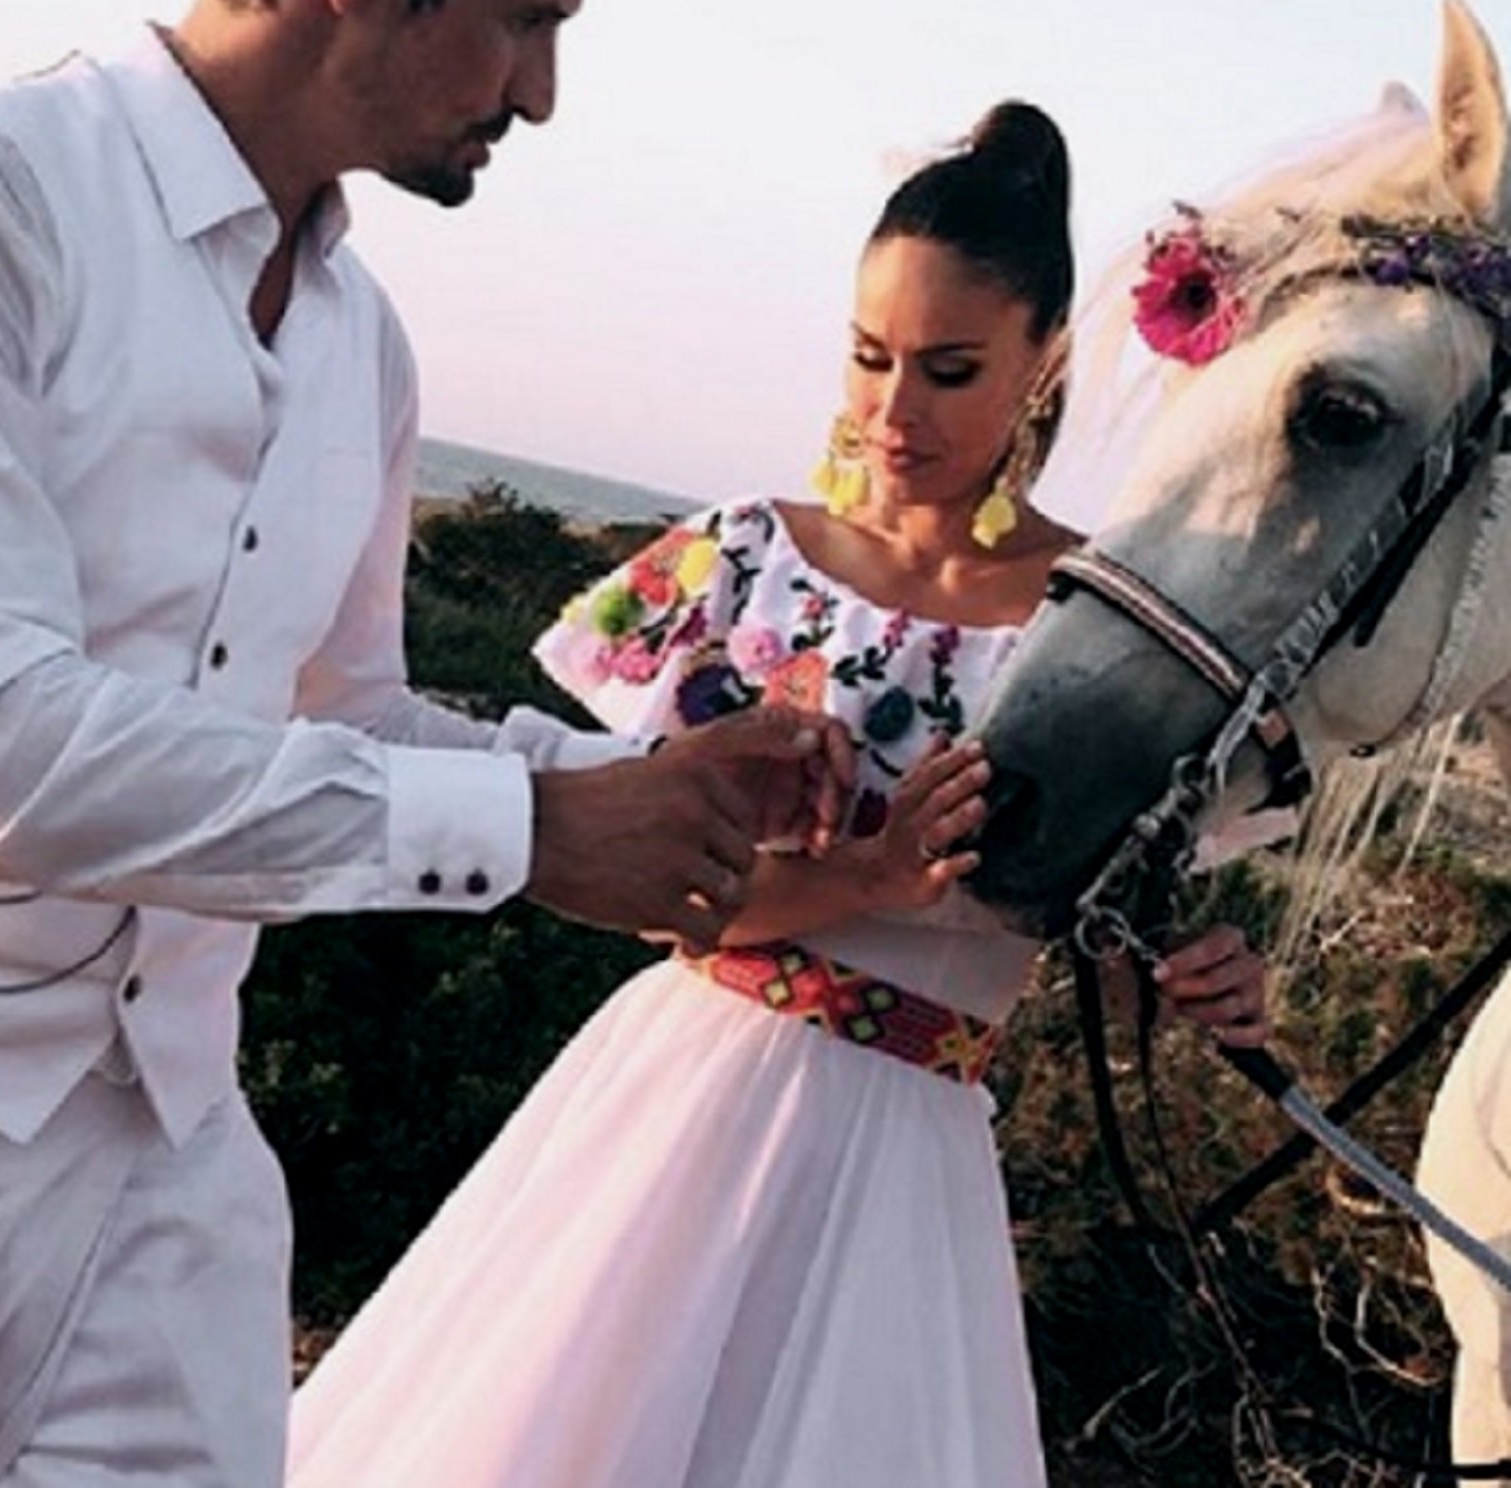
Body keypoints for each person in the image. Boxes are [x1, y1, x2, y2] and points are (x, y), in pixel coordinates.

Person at [0, 0, 847, 1488]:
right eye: (526, 21)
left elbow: (336, 711)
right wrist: (532, 843)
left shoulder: (364, 343)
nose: (541, 91)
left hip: (174, 1159)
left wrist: (620, 791)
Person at [284, 101, 1268, 1488]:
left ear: (1044, 362)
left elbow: (1102, 936)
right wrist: (871, 878)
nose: (890, 412)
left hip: (910, 1154)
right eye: (869, 358)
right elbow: (652, 896)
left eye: (947, 369)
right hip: (680, 1101)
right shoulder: (746, 564)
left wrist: (1186, 977)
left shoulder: (1103, 632)